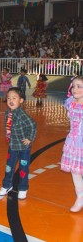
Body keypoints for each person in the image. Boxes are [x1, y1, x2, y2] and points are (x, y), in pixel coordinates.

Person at [0, 87, 37, 200]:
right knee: (9, 167)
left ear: (21, 100)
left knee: (23, 169)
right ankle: (7, 185)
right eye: (9, 98)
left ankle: (23, 188)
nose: (11, 100)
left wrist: (30, 138)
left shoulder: (21, 114)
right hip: (12, 146)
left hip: (23, 147)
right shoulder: (7, 113)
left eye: (14, 98)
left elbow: (33, 125)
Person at [61, 76, 83, 212]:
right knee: (75, 171)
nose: (75, 89)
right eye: (74, 86)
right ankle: (80, 196)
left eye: (79, 86)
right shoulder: (70, 103)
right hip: (74, 142)